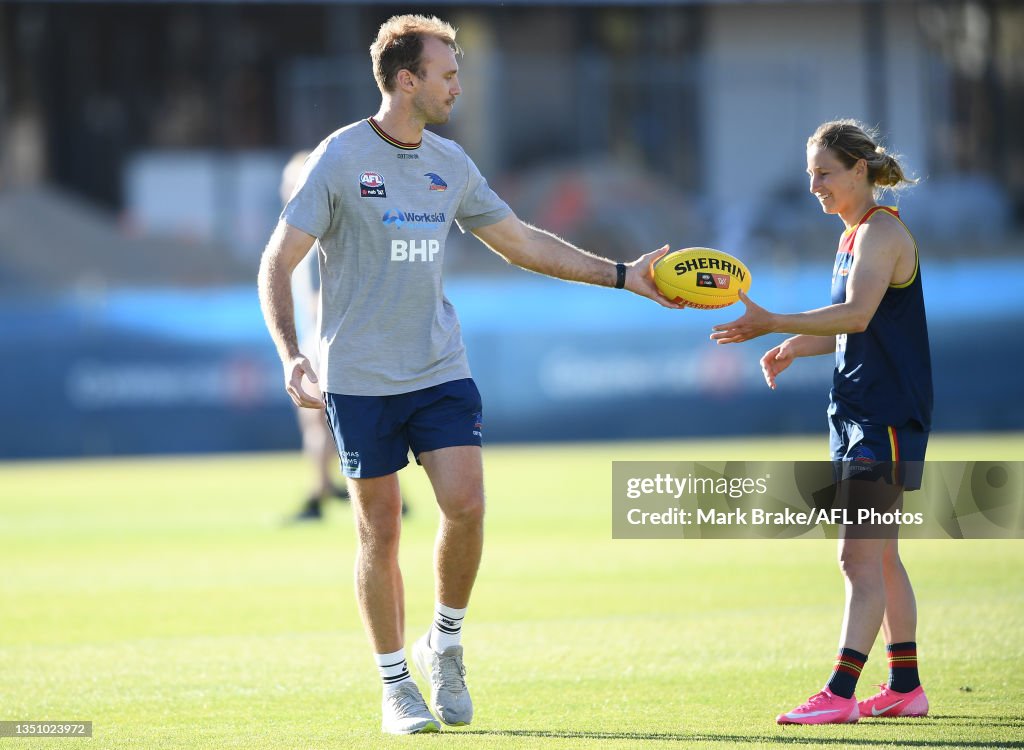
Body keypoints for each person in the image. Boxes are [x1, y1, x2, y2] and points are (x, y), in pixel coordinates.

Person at [257, 14, 680, 735]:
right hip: (358, 378)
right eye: (447, 73)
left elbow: (519, 241)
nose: (459, 84)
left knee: (468, 504)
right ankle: (396, 686)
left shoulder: (450, 162)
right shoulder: (339, 158)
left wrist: (621, 275)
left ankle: (443, 643)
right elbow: (276, 262)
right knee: (378, 533)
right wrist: (292, 354)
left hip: (438, 368)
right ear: (406, 80)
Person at [710, 119, 932, 725]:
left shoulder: (881, 231)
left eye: (824, 173)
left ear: (860, 170)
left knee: (856, 560)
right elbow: (853, 323)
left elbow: (858, 316)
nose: (814, 186)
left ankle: (839, 694)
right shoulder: (853, 235)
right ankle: (906, 685)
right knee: (880, 558)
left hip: (881, 417)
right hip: (861, 412)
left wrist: (774, 323)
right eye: (811, 175)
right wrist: (793, 347)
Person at [278, 150, 351, 522]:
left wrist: (312, 349)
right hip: (323, 338)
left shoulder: (313, 228)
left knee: (325, 419)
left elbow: (317, 296)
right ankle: (327, 488)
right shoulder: (314, 222)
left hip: (325, 340)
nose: (286, 189)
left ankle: (322, 492)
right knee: (332, 420)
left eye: (292, 181)